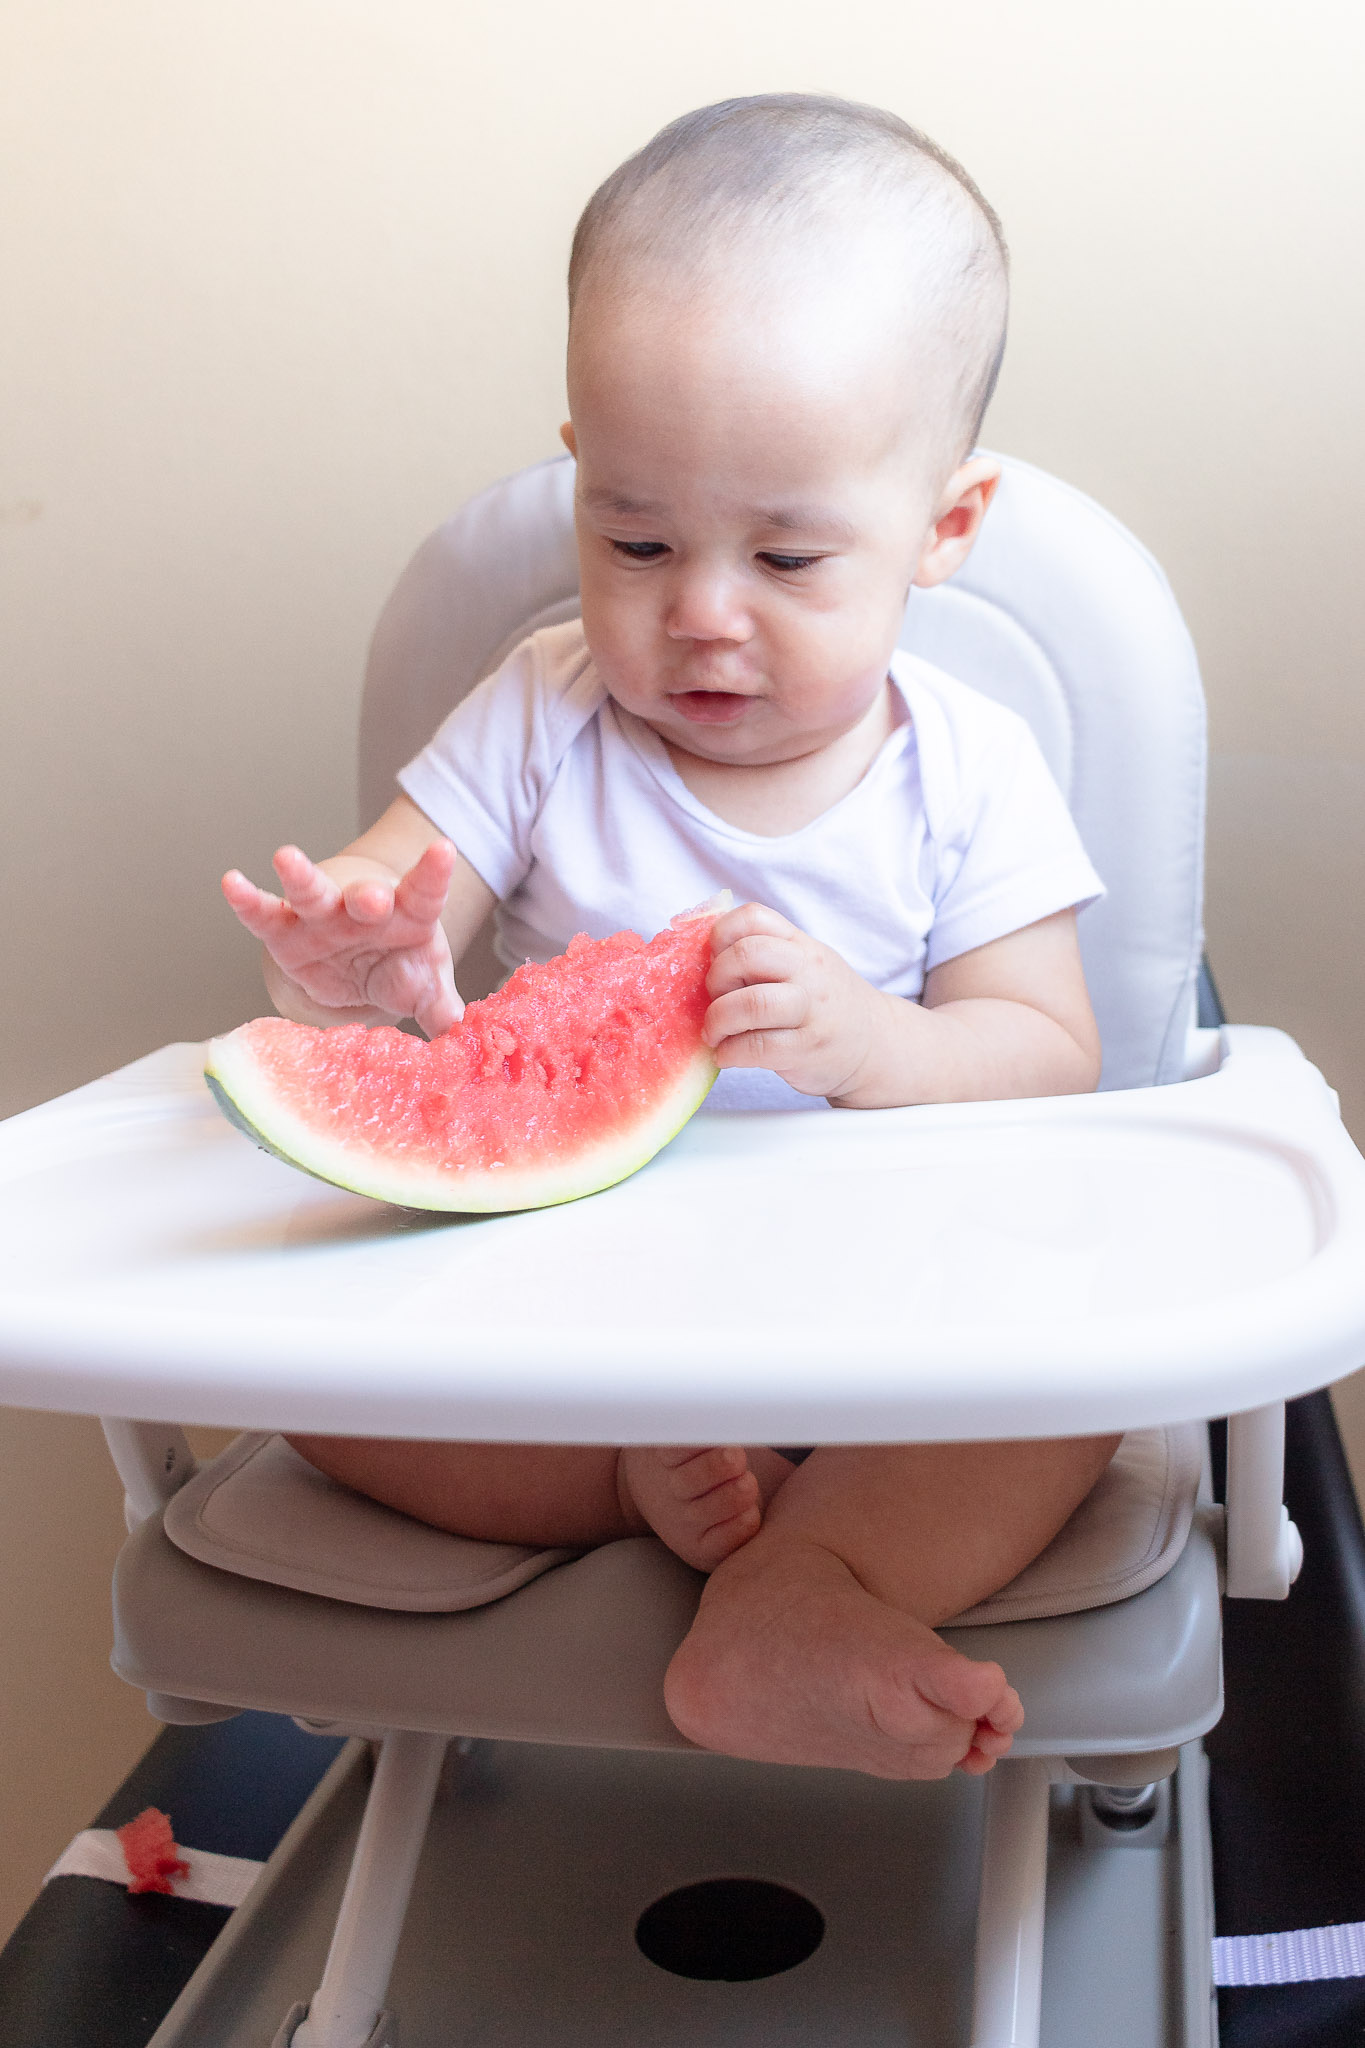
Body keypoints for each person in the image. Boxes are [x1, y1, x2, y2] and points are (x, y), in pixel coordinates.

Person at [223, 94, 1118, 1783]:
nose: (699, 611)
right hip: (570, 1315)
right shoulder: (540, 707)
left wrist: (873, 1042)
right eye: (633, 539)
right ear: (580, 471)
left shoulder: (967, 767)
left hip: (891, 1324)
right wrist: (340, 962)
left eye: (787, 554)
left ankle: (805, 1587)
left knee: (1078, 1396)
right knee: (312, 1385)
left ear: (941, 528)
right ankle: (640, 1479)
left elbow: (1049, 1051)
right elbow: (385, 902)